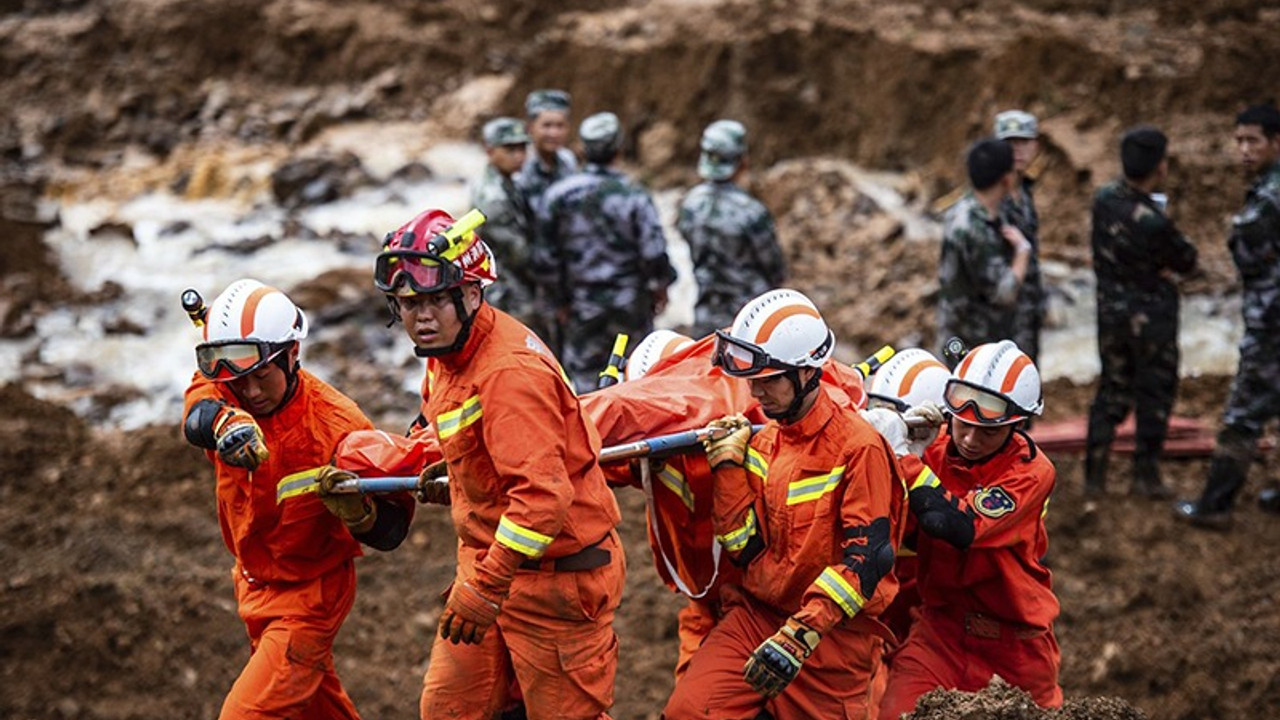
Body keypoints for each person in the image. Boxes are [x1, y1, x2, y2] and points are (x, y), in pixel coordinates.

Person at [372, 208, 626, 720]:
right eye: (407, 304)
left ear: (471, 293)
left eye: (432, 302)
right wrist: (458, 476)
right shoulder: (445, 355)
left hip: (553, 580)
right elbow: (461, 434)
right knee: (450, 710)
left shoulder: (509, 374)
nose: (419, 317)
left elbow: (541, 499)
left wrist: (488, 587)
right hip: (490, 565)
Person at [664, 289, 907, 720]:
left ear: (808, 373)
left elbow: (867, 560)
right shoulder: (766, 437)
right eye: (751, 379)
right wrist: (726, 468)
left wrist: (801, 633)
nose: (756, 392)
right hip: (757, 615)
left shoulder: (858, 448)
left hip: (832, 637)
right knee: (690, 710)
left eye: (769, 379)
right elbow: (744, 547)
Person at [182, 279, 413, 720]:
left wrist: (360, 514)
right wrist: (223, 423)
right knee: (315, 708)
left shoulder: (338, 427)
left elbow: (393, 531)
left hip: (310, 597)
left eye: (260, 377)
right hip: (253, 582)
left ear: (291, 355)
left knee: (248, 714)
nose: (248, 392)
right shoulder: (227, 384)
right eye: (236, 382)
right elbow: (198, 407)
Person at [879, 340, 1062, 718]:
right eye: (963, 424)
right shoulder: (935, 443)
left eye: (988, 432)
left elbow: (953, 525)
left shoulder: (1030, 471)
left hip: (1016, 646)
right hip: (940, 633)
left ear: (1017, 425)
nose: (970, 440)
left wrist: (903, 458)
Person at [1176, 104, 1280, 528]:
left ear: (1276, 142)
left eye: (1253, 140)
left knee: (1243, 416)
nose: (1243, 150)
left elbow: (1246, 250)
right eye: (1238, 141)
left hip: (1272, 324)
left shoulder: (1269, 197)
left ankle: (1214, 505)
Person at [1085, 126, 1198, 499]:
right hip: (1152, 322)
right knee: (1155, 394)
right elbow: (1187, 260)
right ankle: (1145, 477)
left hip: (1111, 316)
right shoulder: (1154, 220)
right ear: (1160, 167)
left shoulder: (1103, 200)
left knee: (1111, 392)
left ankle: (1094, 479)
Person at [538, 111, 676, 393]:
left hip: (580, 306)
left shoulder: (557, 196)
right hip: (630, 305)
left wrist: (559, 302)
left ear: (583, 150)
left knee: (586, 383)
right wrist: (660, 287)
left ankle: (592, 434)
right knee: (637, 376)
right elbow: (653, 251)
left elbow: (545, 258)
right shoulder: (634, 194)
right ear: (618, 148)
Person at [677, 119, 786, 338]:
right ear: (742, 162)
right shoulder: (751, 212)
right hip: (750, 322)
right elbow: (775, 270)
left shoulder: (689, 205)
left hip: (706, 317)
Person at [937, 138, 1034, 363]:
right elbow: (1004, 294)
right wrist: (1022, 252)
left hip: (968, 338)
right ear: (1007, 179)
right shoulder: (973, 229)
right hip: (970, 347)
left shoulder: (969, 210)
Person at [471, 117, 539, 330]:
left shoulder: (507, 180)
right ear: (490, 150)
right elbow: (520, 254)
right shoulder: (494, 197)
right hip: (505, 292)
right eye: (510, 149)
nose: (519, 156)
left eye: (522, 148)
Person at [994, 110, 1047, 362]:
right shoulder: (990, 197)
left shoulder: (1025, 191)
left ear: (1035, 145)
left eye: (1023, 142)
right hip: (998, 316)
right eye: (1009, 143)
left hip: (1028, 311)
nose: (1016, 150)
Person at [517, 88, 577, 213]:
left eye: (560, 126)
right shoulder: (520, 163)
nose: (554, 133)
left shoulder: (568, 160)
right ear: (530, 127)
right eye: (547, 125)